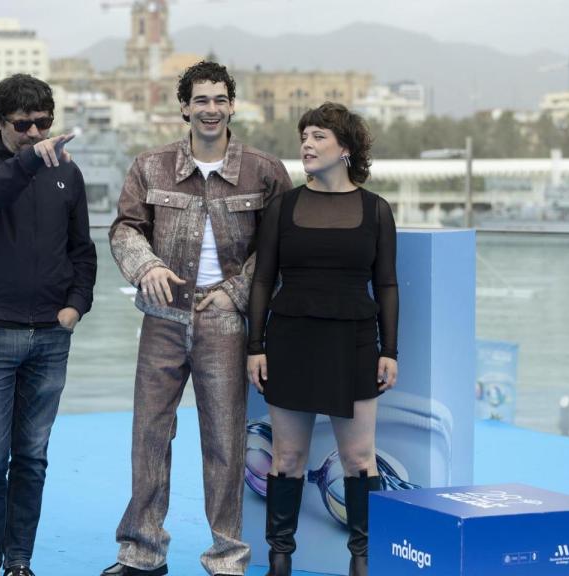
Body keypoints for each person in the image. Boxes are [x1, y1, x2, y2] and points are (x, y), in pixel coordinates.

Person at [104, 61, 292, 576]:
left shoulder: (265, 170)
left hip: (226, 321)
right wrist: (148, 267)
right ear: (184, 107)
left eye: (220, 100)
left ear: (232, 105)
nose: (211, 110)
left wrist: (235, 291)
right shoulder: (151, 166)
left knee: (225, 440)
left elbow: (277, 247)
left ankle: (227, 557)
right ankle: (142, 553)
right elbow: (124, 229)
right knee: (150, 434)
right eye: (200, 100)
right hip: (163, 317)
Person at [0, 73, 97, 576]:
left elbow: (82, 249)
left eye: (43, 124)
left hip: (52, 335)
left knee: (32, 458)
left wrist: (77, 305)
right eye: (23, 125)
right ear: (1, 122)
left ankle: (19, 562)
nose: (35, 134)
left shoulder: (68, 174)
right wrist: (30, 160)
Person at [246, 102, 399, 576]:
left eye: (318, 137)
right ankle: (279, 559)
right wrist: (256, 345)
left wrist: (389, 350)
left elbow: (387, 283)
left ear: (346, 148)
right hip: (290, 340)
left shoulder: (376, 210)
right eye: (304, 137)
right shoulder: (283, 207)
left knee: (358, 458)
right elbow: (262, 281)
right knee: (288, 456)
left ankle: (362, 559)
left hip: (354, 341)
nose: (307, 145)